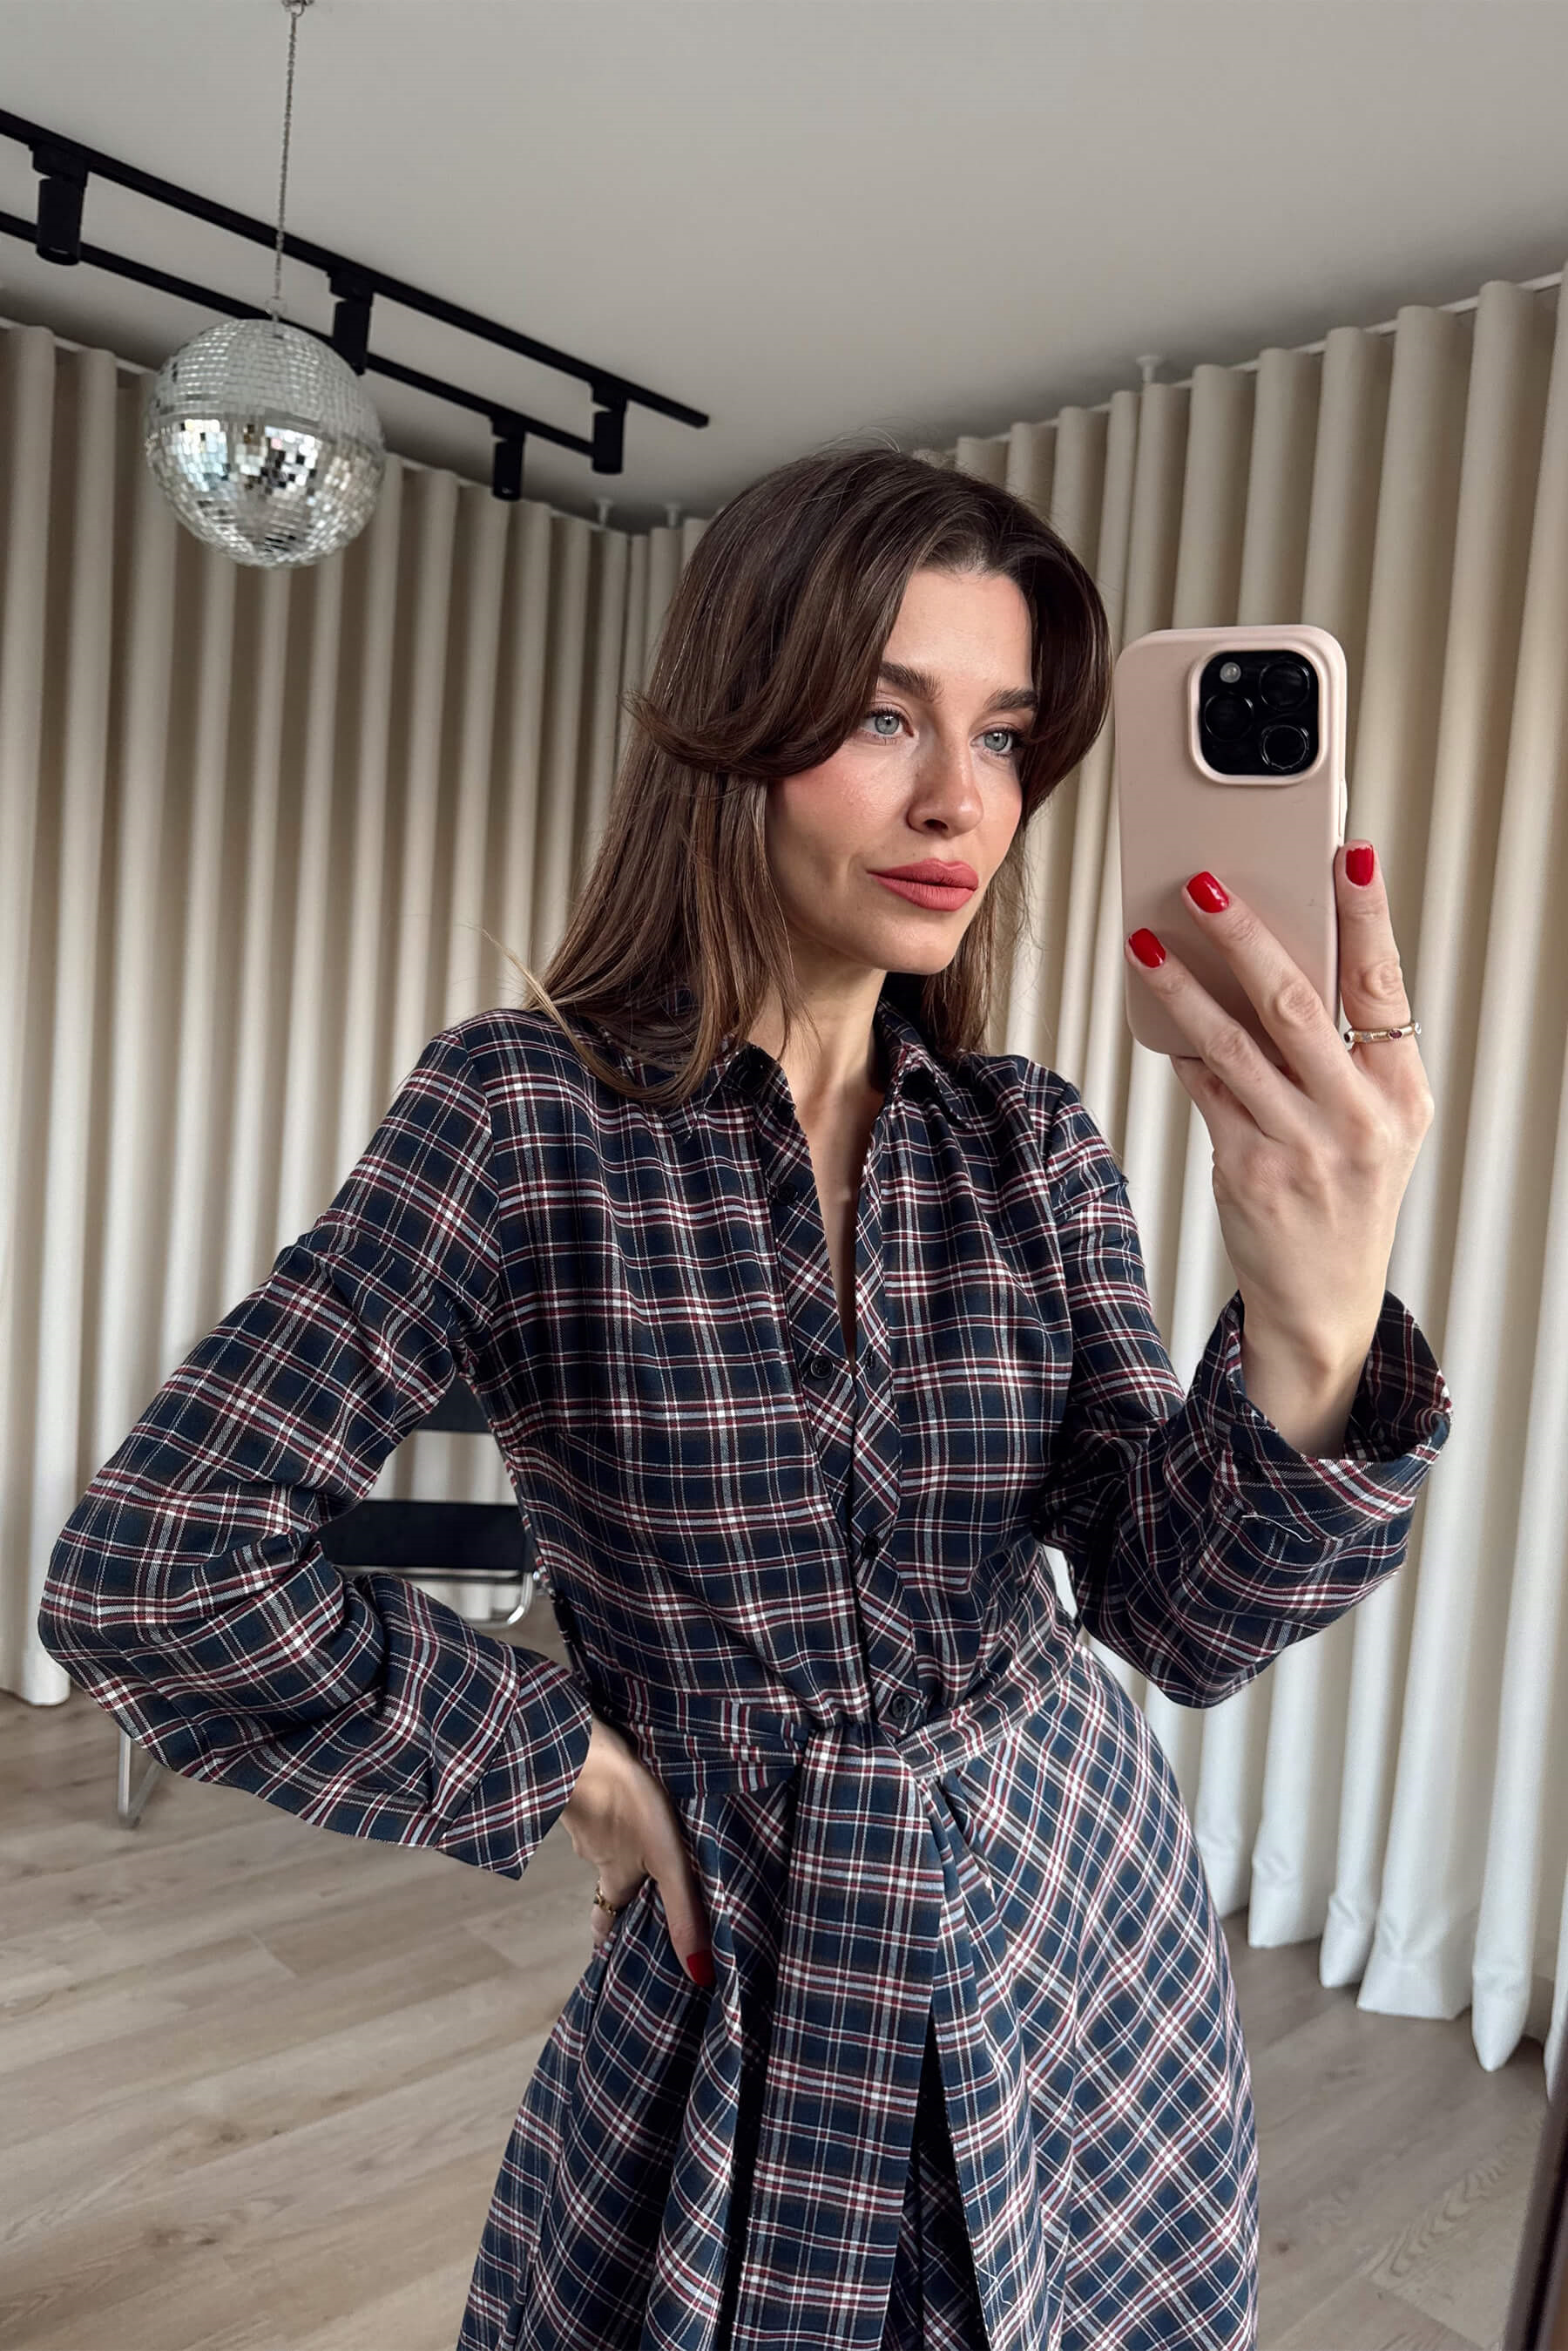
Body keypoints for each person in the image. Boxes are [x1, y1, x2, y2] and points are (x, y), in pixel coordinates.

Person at [39, 446, 1453, 2351]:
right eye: (883, 716)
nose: (962, 799)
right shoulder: (523, 1118)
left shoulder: (1030, 1145)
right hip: (755, 1960)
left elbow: (1178, 1615)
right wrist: (566, 1759)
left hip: (1081, 1920)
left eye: (1007, 734)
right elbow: (158, 1566)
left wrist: (1315, 1313)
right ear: (737, 728)